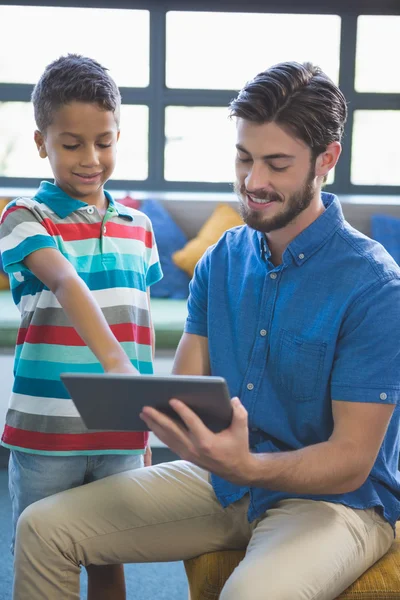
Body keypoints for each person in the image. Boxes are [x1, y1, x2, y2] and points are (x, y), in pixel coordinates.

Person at [12, 61, 400, 600]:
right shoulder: (221, 260)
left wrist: (248, 463)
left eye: (277, 164)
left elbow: (351, 459)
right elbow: (185, 392)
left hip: (333, 503)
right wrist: (158, 418)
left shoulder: (375, 284)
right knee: (43, 527)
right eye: (244, 158)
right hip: (223, 482)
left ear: (326, 160)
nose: (253, 182)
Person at [0, 54, 162, 599]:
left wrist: (144, 420)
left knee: (109, 562)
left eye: (104, 141)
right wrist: (114, 363)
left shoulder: (139, 228)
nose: (90, 159)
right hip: (48, 435)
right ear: (43, 142)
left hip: (120, 433)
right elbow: (67, 283)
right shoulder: (24, 216)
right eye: (71, 144)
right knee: (44, 561)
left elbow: (140, 324)